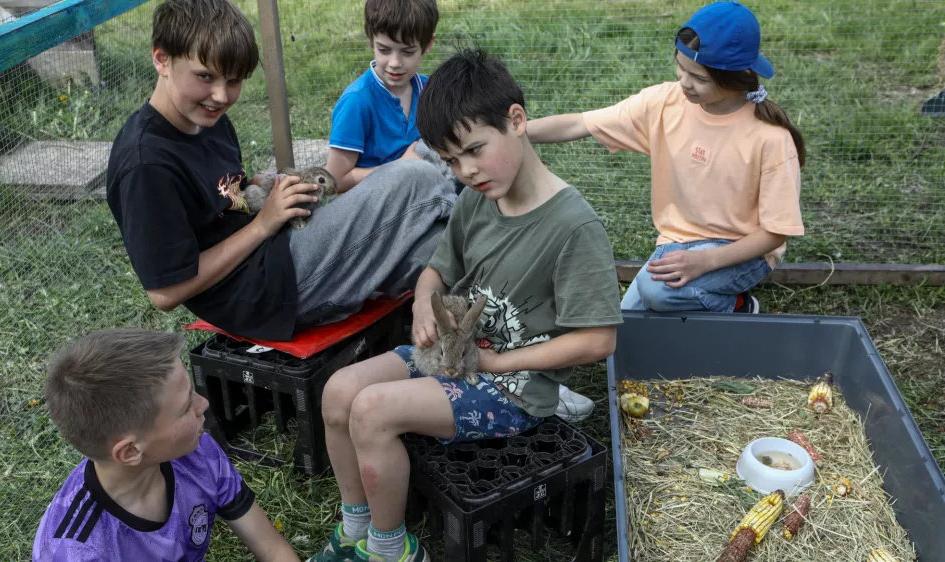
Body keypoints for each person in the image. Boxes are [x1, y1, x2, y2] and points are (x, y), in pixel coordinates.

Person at [306, 48, 622, 562]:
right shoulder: (478, 199)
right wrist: (421, 307)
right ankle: (355, 528)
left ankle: (391, 551)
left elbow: (598, 339)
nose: (466, 170)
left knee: (371, 410)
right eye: (452, 160)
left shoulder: (573, 227)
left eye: (474, 150)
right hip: (453, 359)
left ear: (517, 121)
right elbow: (438, 268)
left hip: (513, 388)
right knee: (339, 390)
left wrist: (499, 362)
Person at [105, 0, 456, 341]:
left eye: (233, 81)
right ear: (161, 59)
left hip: (281, 249)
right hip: (268, 292)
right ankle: (485, 205)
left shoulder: (206, 119)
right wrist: (262, 225)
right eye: (205, 76)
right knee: (417, 174)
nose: (220, 95)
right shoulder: (146, 164)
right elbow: (165, 293)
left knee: (436, 250)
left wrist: (266, 188)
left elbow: (228, 198)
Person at [528, 0, 806, 416]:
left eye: (697, 77)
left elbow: (774, 234)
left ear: (733, 79)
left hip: (744, 249)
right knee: (618, 331)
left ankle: (736, 307)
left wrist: (705, 263)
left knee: (658, 292)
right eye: (680, 68)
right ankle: (544, 388)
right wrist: (515, 134)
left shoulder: (770, 138)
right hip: (678, 243)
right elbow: (582, 123)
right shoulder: (666, 103)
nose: (683, 82)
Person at [33, 328, 300, 561]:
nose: (203, 405)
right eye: (185, 407)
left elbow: (272, 550)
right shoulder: (78, 552)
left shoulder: (197, 453)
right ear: (131, 451)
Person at [325, 0, 440, 192]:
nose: (395, 63)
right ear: (371, 40)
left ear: (427, 45)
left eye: (407, 51)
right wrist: (401, 168)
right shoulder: (357, 102)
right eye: (384, 50)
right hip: (376, 205)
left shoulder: (431, 91)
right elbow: (335, 181)